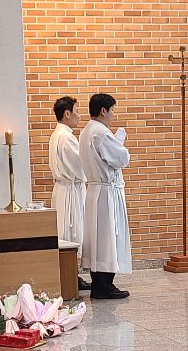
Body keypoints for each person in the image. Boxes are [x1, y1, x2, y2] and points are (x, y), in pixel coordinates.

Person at [79, 93, 132, 299]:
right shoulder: (101, 132)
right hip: (106, 192)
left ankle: (100, 283)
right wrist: (120, 141)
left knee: (99, 239)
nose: (112, 114)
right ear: (103, 110)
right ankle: (104, 285)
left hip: (96, 190)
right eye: (112, 110)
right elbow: (121, 158)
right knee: (108, 238)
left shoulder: (86, 131)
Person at [48, 96, 90, 291]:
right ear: (67, 113)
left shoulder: (57, 134)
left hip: (63, 189)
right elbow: (80, 165)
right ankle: (71, 275)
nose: (79, 116)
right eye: (76, 111)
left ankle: (71, 274)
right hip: (71, 190)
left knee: (65, 229)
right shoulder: (66, 137)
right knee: (71, 231)